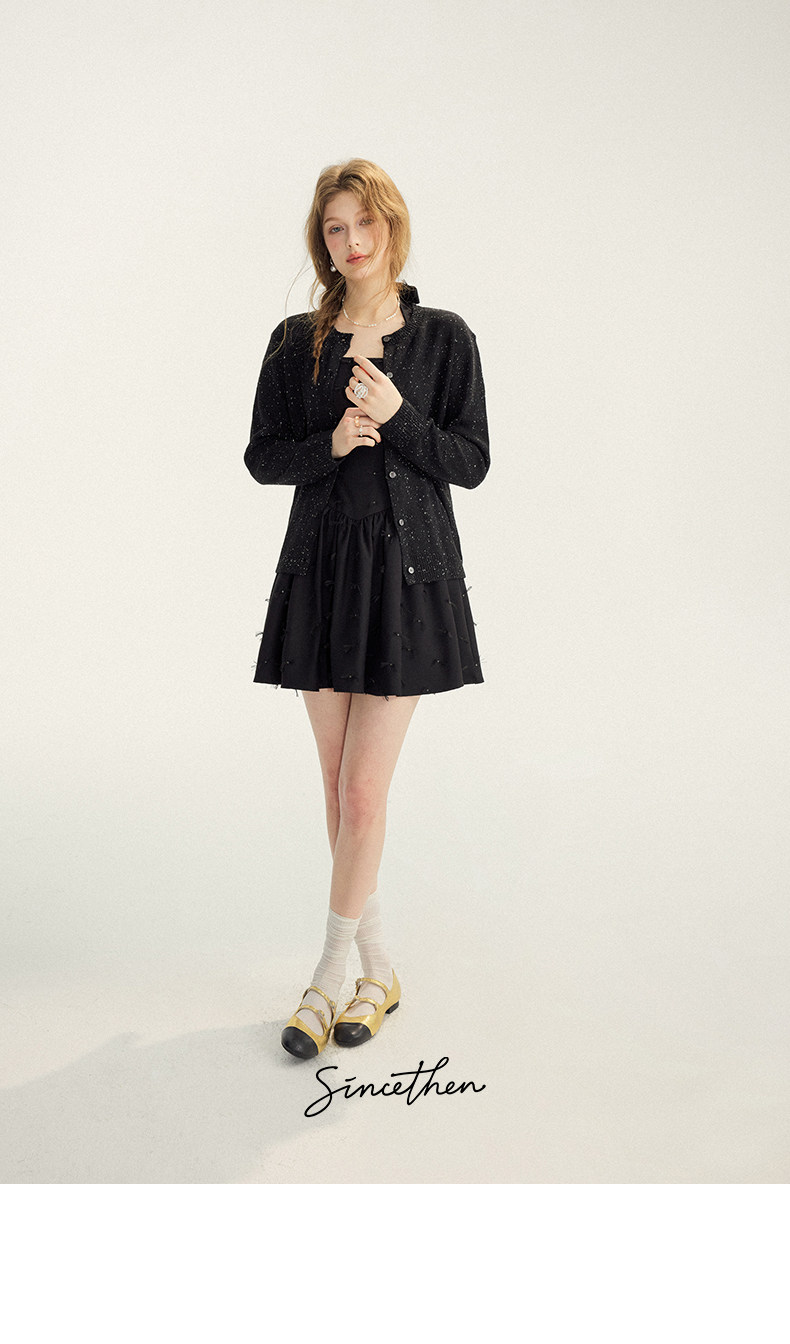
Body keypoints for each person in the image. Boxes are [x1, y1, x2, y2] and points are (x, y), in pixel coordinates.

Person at [244, 159, 490, 1060]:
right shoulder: (294, 342)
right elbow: (263, 456)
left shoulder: (444, 338)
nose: (352, 243)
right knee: (336, 788)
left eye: (365, 225)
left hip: (404, 582)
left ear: (392, 227)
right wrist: (332, 443)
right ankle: (378, 969)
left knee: (361, 791)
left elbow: (471, 462)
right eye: (335, 229)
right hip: (320, 576)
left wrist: (399, 414)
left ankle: (326, 976)